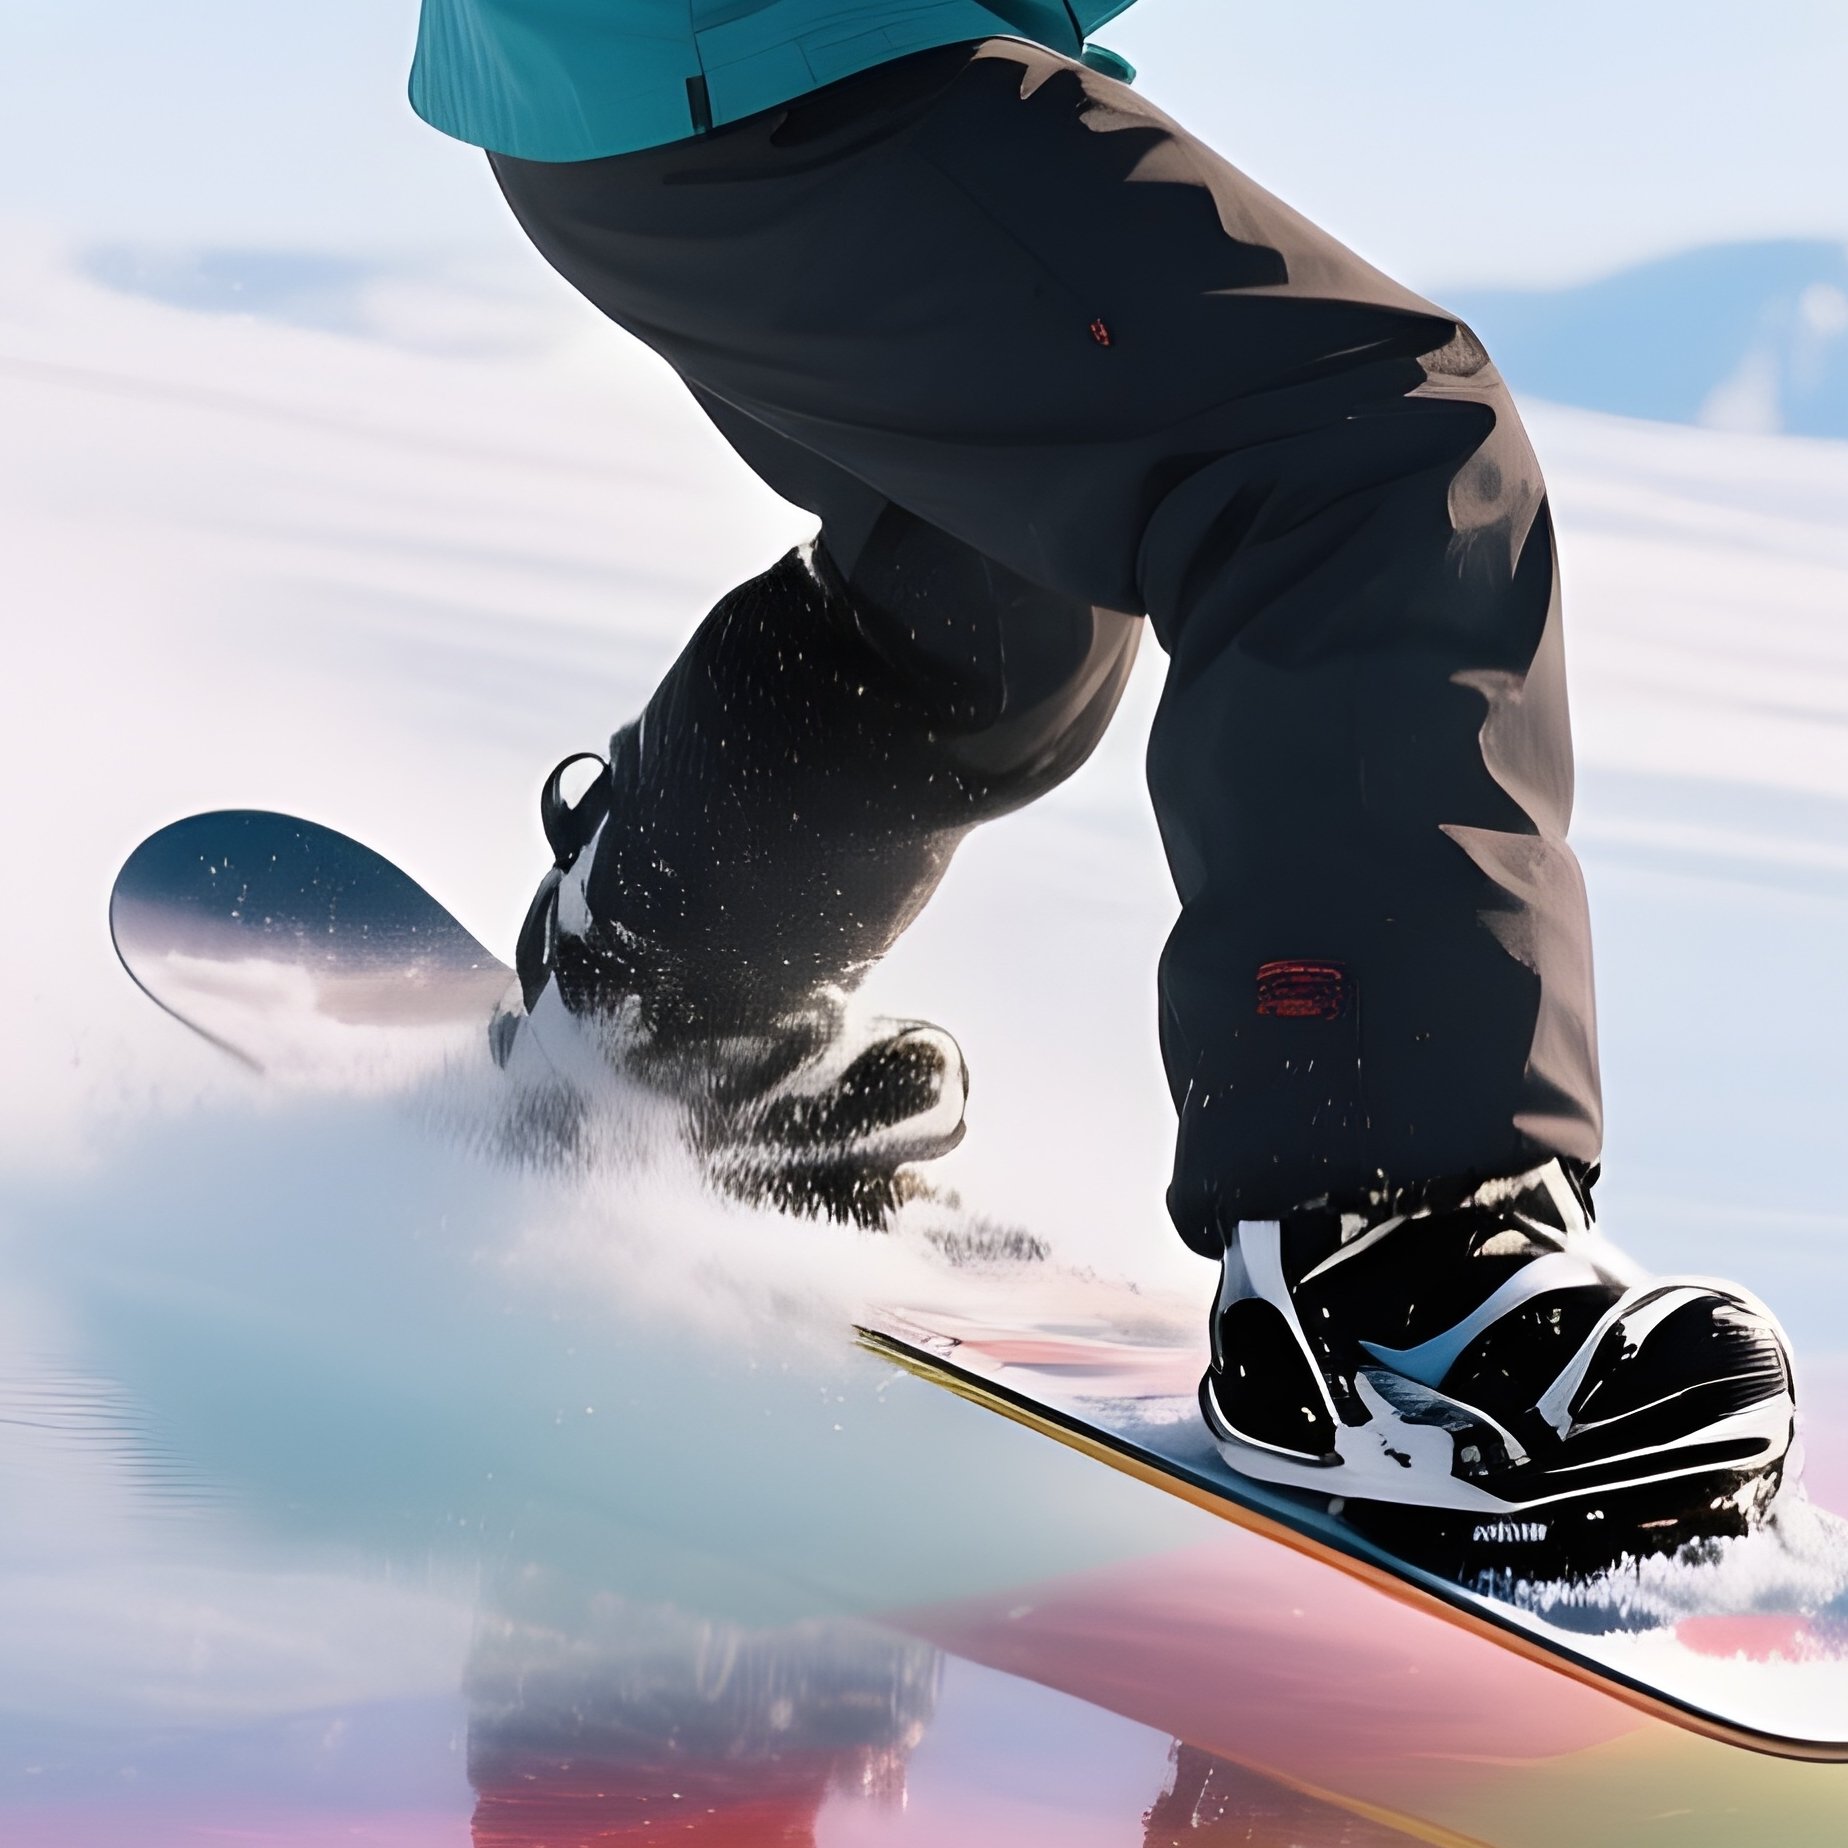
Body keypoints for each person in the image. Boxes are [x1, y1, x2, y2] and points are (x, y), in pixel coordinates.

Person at [408, 2, 1795, 1557]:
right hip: (761, 62)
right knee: (1366, 463)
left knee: (1003, 601)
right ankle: (1384, 1277)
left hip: (706, 80)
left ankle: (670, 997)